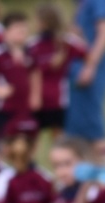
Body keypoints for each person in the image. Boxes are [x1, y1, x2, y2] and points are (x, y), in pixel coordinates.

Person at [30, 3, 86, 138]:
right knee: (33, 134)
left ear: (44, 22)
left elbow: (87, 54)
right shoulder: (33, 44)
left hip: (59, 98)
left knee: (58, 135)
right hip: (37, 97)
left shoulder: (66, 42)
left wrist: (84, 72)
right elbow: (31, 69)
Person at [64, 0, 105, 149]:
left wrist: (90, 65)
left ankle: (104, 161)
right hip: (77, 64)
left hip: (90, 65)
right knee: (76, 122)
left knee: (91, 122)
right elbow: (77, 31)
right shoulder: (81, 4)